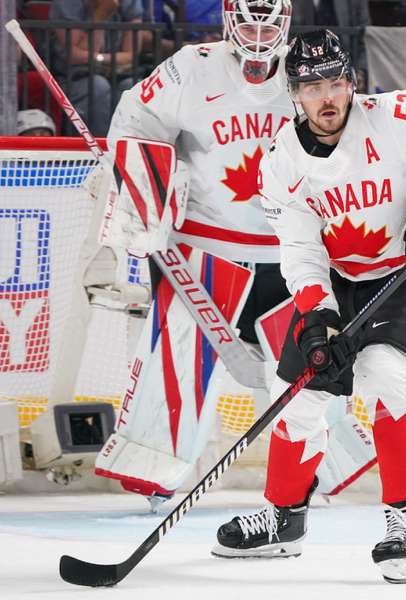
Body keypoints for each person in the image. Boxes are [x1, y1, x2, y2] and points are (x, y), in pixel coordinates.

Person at [211, 30, 406, 584]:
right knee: (298, 389)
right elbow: (300, 250)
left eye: (334, 82)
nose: (326, 98)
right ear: (293, 94)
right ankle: (283, 517)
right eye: (311, 86)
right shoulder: (280, 164)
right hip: (344, 280)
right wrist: (319, 314)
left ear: (352, 82)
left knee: (383, 373)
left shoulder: (402, 117)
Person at [91, 0, 304, 500]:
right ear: (229, 20)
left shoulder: (307, 71)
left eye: (268, 23)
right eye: (249, 21)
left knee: (314, 365)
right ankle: (152, 466)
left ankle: (326, 466)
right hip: (204, 252)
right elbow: (136, 121)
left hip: (292, 255)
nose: (258, 34)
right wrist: (149, 190)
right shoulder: (192, 67)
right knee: (178, 354)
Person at [52, 0, 152, 135]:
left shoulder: (129, 3)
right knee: (98, 86)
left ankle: (130, 149)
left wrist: (97, 59)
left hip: (120, 74)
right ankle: (98, 150)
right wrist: (100, 16)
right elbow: (75, 55)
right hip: (73, 78)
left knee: (133, 87)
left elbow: (130, 55)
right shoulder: (67, 4)